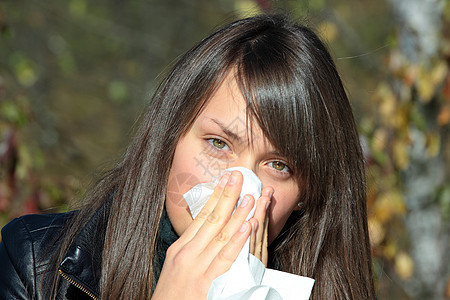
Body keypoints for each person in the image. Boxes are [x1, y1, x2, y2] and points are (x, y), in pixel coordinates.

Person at [0, 14, 376, 299]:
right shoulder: (37, 264)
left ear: (307, 194)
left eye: (279, 166)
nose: (239, 189)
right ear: (171, 137)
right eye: (218, 144)